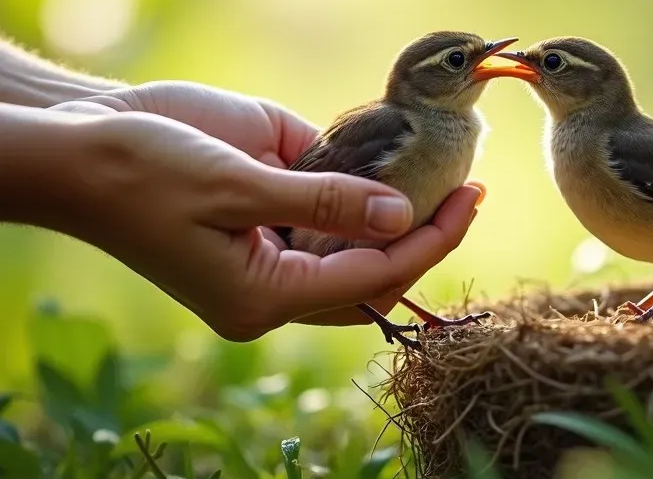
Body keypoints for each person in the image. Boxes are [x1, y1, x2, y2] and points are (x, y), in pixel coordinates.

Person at [0, 38, 483, 342]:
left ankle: (421, 322)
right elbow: (305, 187)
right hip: (305, 228)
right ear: (420, 84)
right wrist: (88, 160)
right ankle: (396, 324)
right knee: (366, 272)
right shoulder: (401, 129)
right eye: (458, 62)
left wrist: (88, 116)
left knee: (374, 275)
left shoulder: (452, 131)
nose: (479, 66)